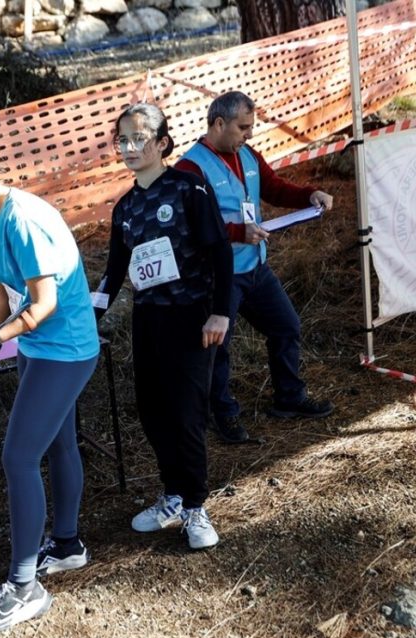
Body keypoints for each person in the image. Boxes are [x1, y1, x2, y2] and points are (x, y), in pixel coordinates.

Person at [0, 132, 100, 634]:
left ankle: (24, 588)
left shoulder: (22, 218)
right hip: (36, 348)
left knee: (18, 457)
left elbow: (45, 303)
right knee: (56, 445)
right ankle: (67, 546)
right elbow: (2, 293)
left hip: (65, 349)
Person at [93, 103, 233, 550]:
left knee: (187, 413)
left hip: (194, 318)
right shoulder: (126, 208)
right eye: (123, 140)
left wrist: (221, 312)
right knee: (153, 412)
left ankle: (195, 506)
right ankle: (172, 494)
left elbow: (221, 254)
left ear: (162, 143)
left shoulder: (189, 188)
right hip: (148, 320)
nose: (130, 148)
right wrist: (85, 318)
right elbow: (113, 275)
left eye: (139, 138)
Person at [174, 90, 335, 444]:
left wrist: (309, 194)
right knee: (219, 348)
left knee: (286, 326)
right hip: (218, 276)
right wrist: (235, 231)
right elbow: (186, 228)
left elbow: (274, 189)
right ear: (219, 123)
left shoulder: (246, 154)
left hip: (254, 267)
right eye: (243, 127)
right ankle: (224, 414)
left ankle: (289, 397)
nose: (250, 134)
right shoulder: (189, 168)